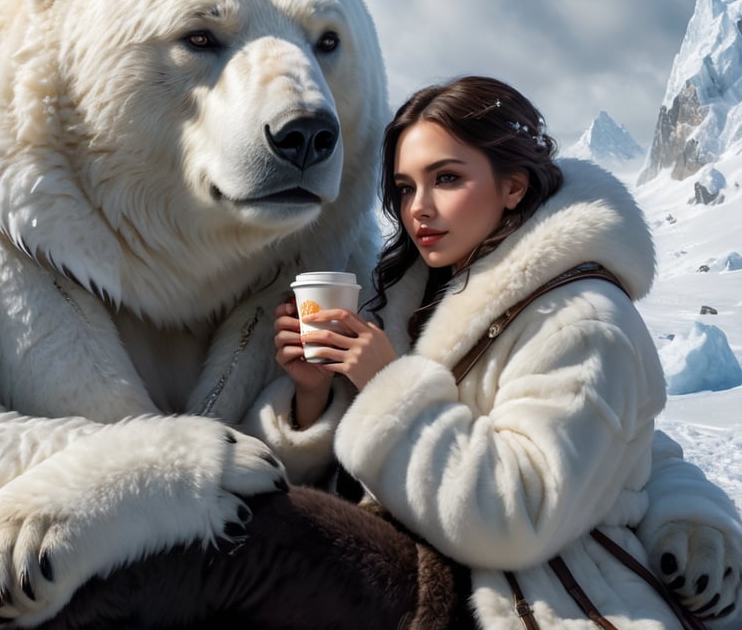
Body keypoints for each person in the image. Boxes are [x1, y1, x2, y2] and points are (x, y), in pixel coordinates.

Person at [274, 75, 742, 627]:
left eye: (446, 178)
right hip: (425, 559)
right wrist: (312, 396)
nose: (418, 208)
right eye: (404, 188)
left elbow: (518, 519)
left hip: (526, 599)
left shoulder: (581, 321)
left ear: (513, 187)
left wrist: (387, 387)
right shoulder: (420, 298)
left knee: (258, 548)